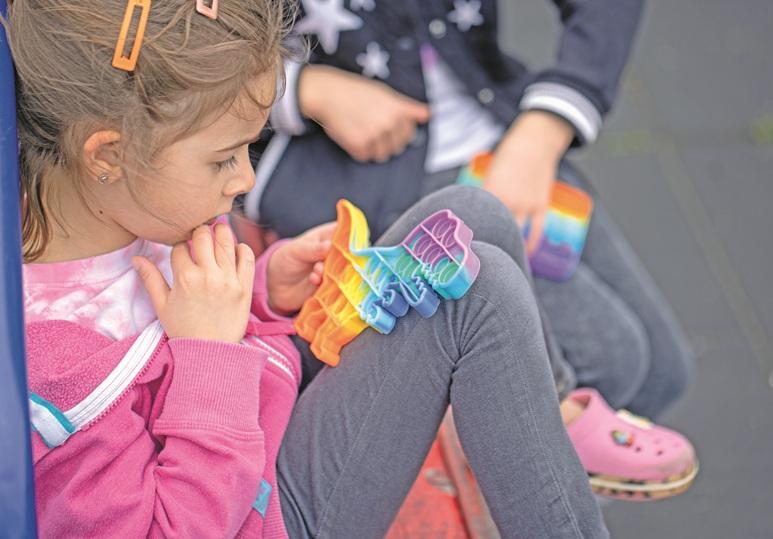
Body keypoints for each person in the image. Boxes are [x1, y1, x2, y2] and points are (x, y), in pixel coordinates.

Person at [6, 0, 628, 536]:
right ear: (108, 155)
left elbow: (184, 328)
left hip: (266, 420)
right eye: (223, 159)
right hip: (267, 515)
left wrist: (264, 290)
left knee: (467, 214)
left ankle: (544, 425)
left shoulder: (139, 209)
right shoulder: (54, 377)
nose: (245, 180)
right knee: (476, 293)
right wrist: (208, 355)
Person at [247, 1, 693, 424]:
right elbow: (201, 56)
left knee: (662, 375)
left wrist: (542, 131)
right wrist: (304, 88)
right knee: (611, 364)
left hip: (506, 137)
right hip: (361, 180)